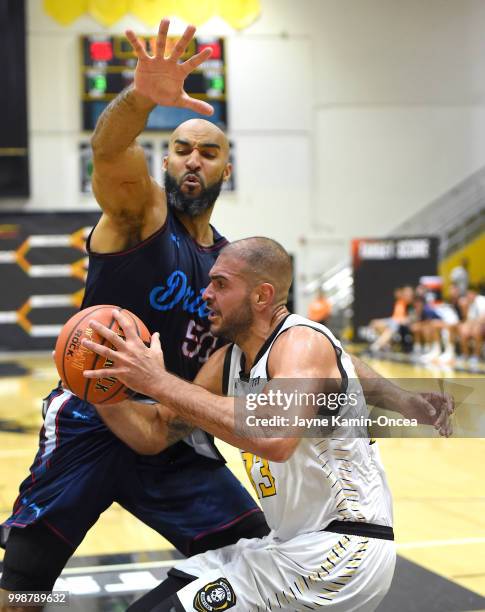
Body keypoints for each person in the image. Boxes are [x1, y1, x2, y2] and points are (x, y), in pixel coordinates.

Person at [0, 20, 270, 607]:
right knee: (23, 583)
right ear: (164, 162)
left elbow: (228, 369)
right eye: (181, 149)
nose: (193, 160)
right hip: (90, 421)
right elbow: (108, 149)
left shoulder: (231, 267)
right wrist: (143, 97)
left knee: (255, 552)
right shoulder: (140, 213)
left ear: (228, 168)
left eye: (209, 151)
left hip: (171, 431)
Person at [82, 237, 454, 612]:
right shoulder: (228, 362)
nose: (206, 293)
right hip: (289, 546)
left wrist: (157, 382)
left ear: (262, 296)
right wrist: (95, 385)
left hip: (342, 551)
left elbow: (275, 435)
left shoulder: (301, 342)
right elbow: (156, 433)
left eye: (221, 284)